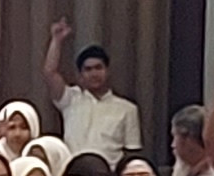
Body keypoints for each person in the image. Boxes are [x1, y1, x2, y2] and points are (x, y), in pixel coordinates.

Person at [45, 23, 144, 160]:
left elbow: (132, 152)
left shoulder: (127, 109)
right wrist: (56, 40)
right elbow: (50, 73)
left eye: (98, 68)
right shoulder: (70, 99)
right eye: (88, 69)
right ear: (80, 76)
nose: (94, 74)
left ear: (107, 71)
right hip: (73, 172)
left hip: (108, 174)